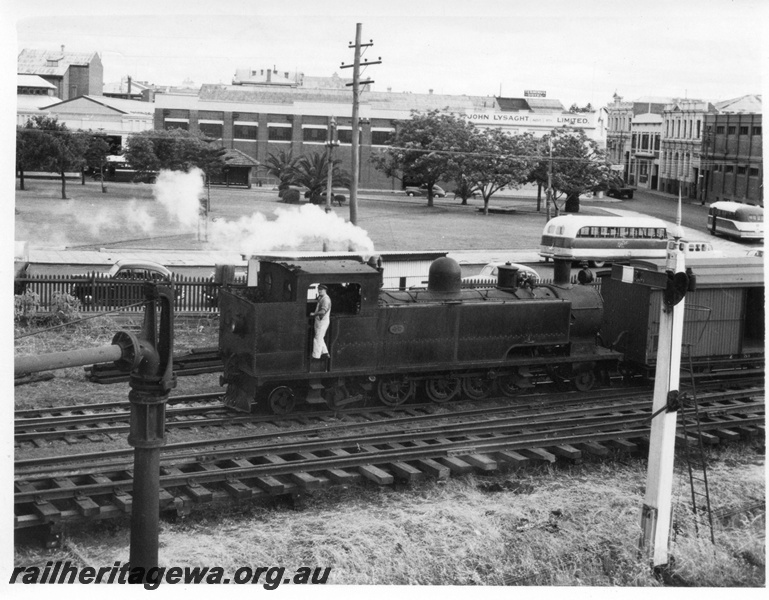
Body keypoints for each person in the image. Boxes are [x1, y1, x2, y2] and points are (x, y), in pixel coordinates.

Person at [310, 284, 331, 359]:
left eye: (321, 290)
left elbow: (323, 311)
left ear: (325, 290)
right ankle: (325, 352)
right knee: (320, 337)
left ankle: (316, 356)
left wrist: (314, 314)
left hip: (322, 321)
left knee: (317, 338)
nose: (319, 291)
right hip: (319, 321)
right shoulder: (321, 297)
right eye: (318, 289)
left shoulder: (325, 299)